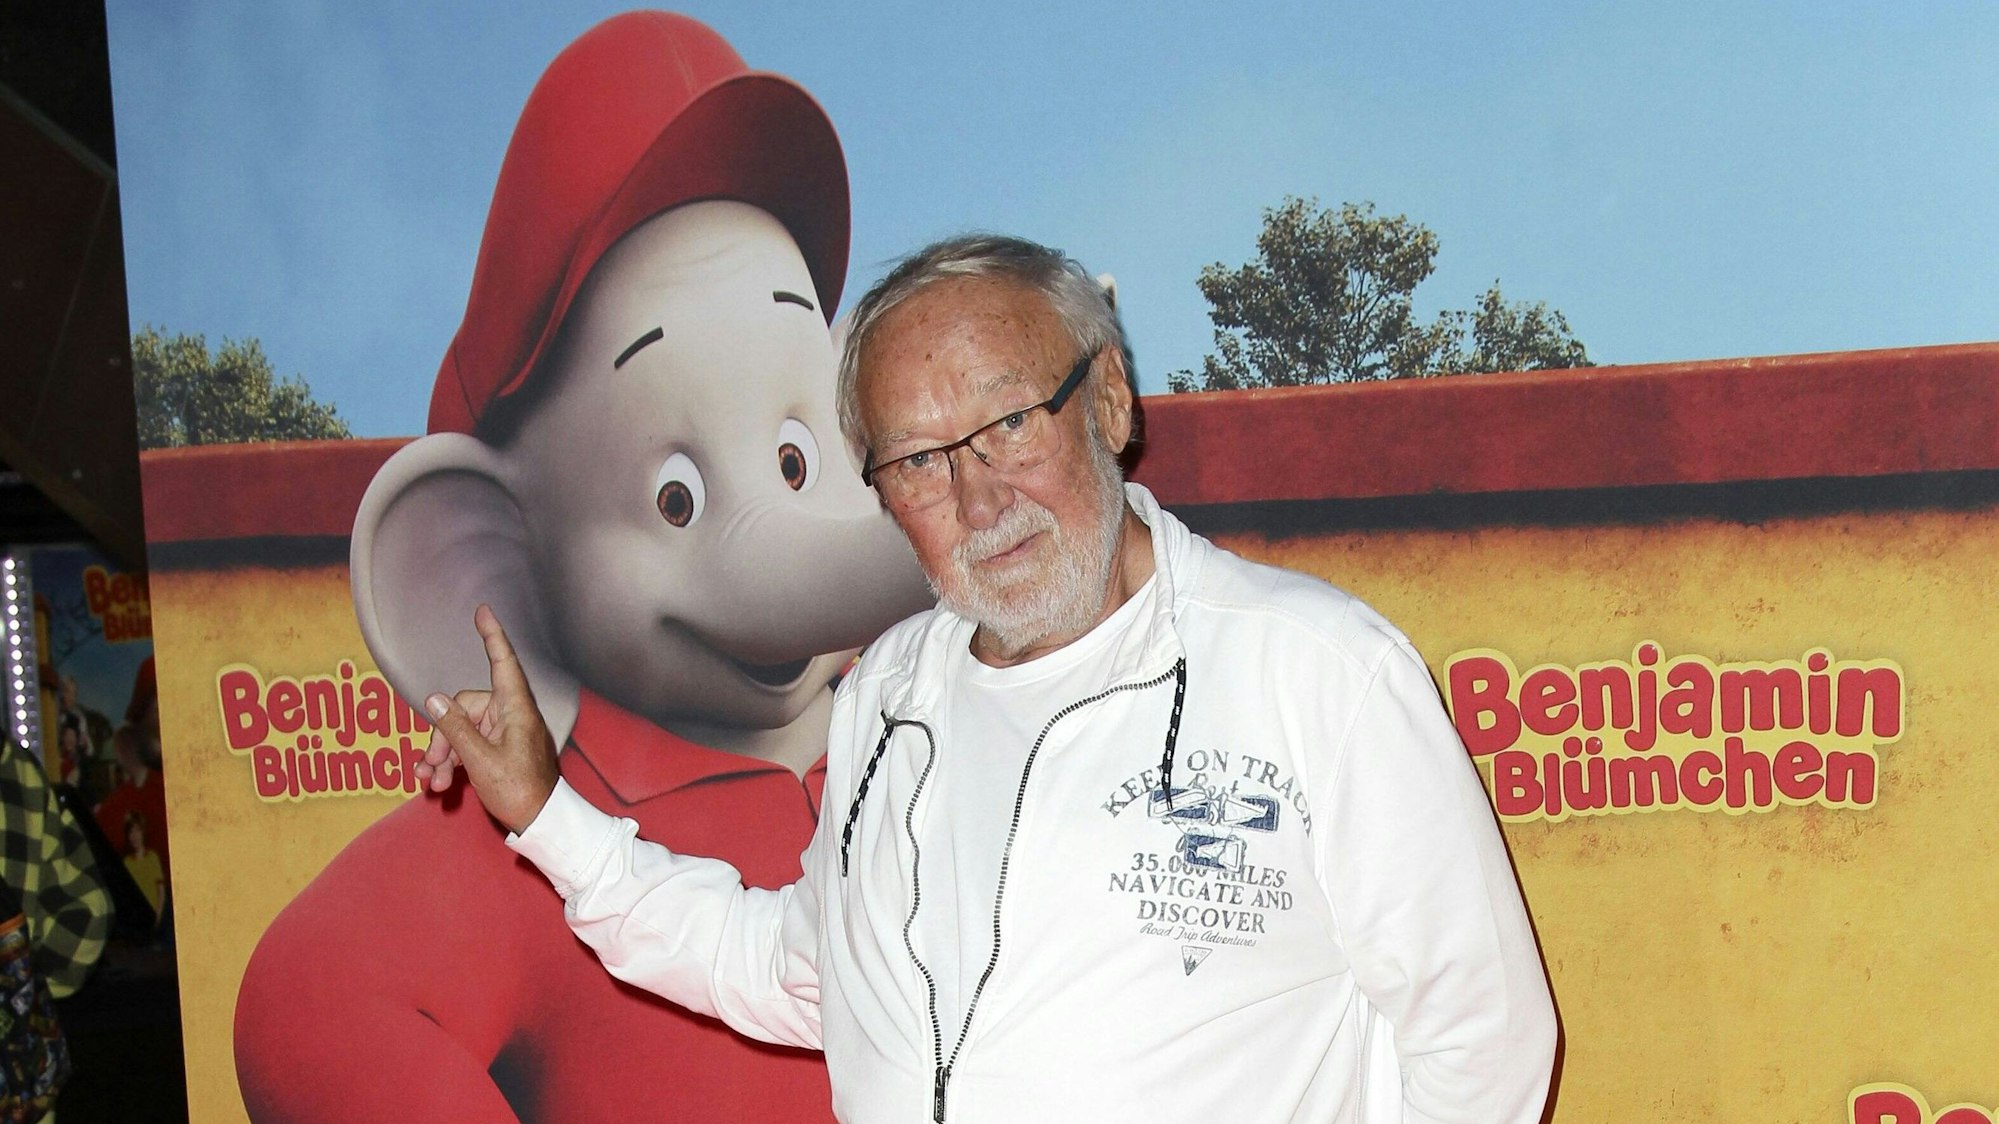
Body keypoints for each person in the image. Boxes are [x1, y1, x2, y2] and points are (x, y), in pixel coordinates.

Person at [422, 235, 1558, 1122]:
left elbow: (1484, 1036)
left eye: (1008, 422)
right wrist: (545, 809)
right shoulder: (885, 699)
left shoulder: (1317, 671)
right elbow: (802, 973)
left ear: (1107, 401)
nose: (976, 497)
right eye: (916, 459)